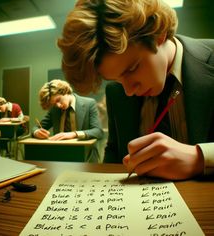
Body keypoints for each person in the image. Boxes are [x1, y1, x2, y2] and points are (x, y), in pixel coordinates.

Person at [57, 0, 214, 179]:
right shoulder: (116, 91)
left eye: (132, 69)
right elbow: (114, 152)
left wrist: (199, 158)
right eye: (115, 78)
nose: (129, 91)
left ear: (158, 35)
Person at [32, 79, 104, 161]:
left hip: (86, 157)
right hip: (60, 158)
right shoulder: (54, 110)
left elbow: (98, 131)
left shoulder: (89, 104)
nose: (58, 105)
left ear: (65, 91)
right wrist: (37, 132)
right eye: (54, 104)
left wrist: (74, 134)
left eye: (58, 100)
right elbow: (35, 128)